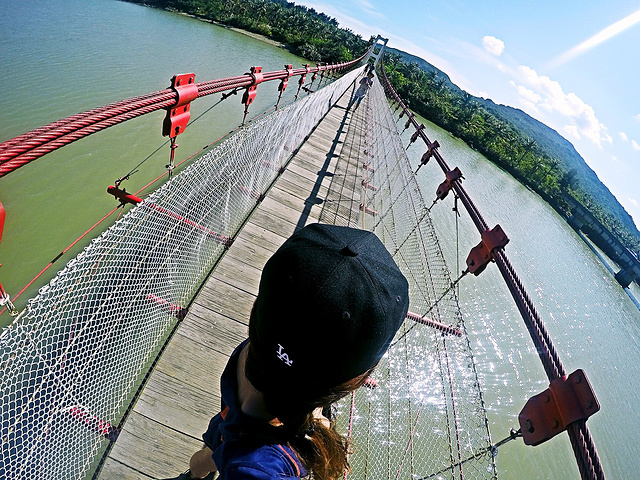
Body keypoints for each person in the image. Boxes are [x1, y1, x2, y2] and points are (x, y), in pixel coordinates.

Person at [166, 223, 410, 480]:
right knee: (215, 453)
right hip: (236, 439)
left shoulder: (252, 352)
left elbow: (284, 360)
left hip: (228, 425)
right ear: (353, 383)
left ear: (256, 313)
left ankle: (196, 472)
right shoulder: (261, 470)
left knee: (207, 457)